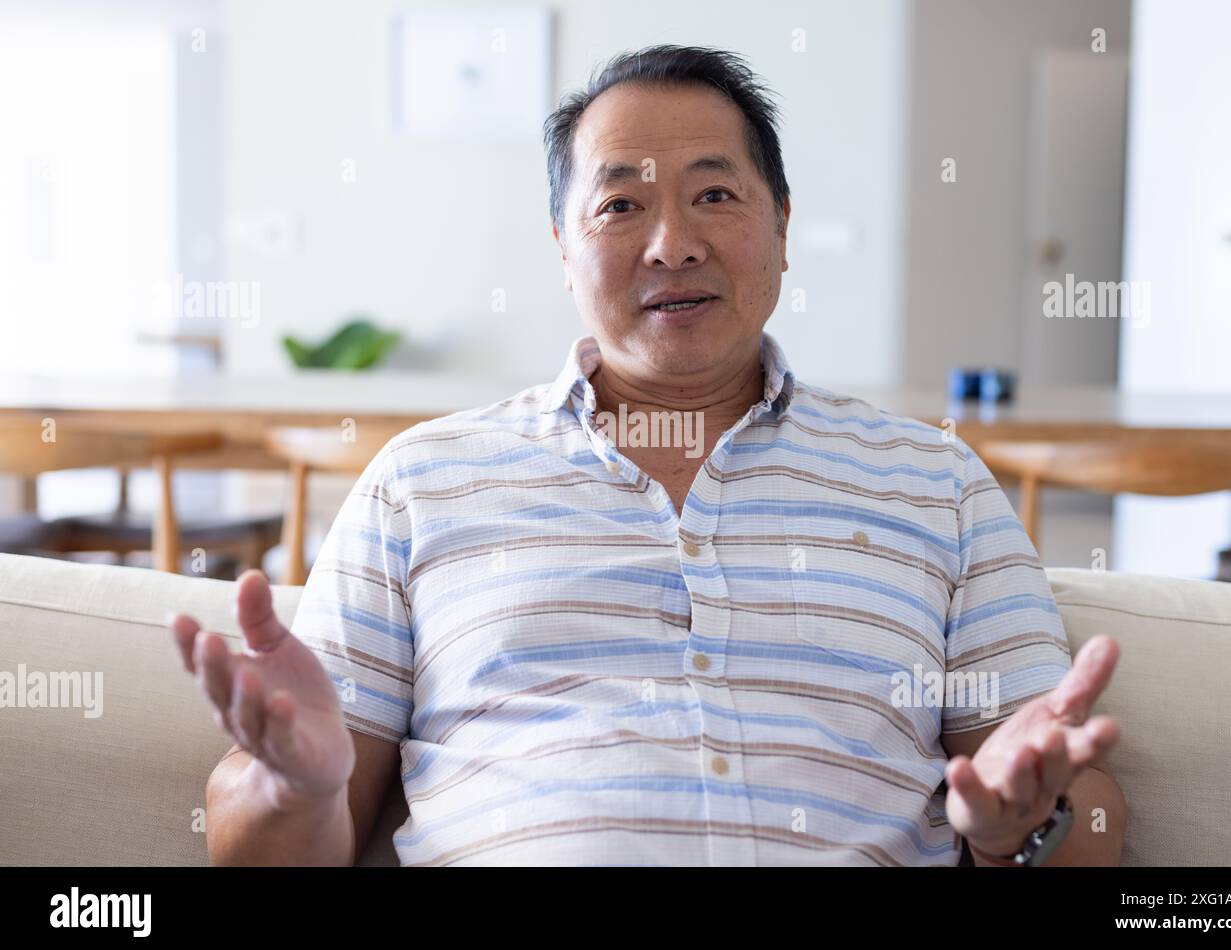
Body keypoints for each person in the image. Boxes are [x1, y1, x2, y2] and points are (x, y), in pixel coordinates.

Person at [171, 45, 1124, 866]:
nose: (672, 244)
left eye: (715, 194)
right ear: (562, 246)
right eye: (620, 205)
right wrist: (294, 790)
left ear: (782, 226)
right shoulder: (420, 481)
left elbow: (1092, 817)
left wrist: (1026, 825)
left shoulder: (937, 484)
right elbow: (263, 843)